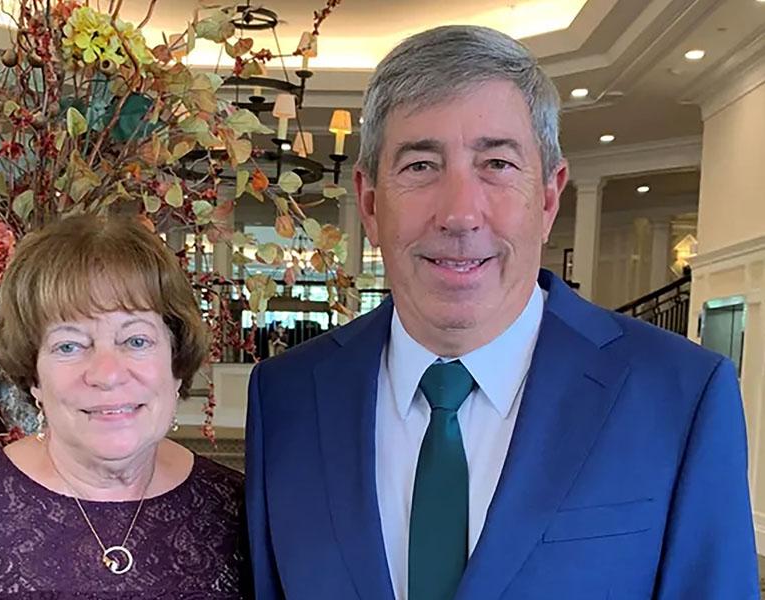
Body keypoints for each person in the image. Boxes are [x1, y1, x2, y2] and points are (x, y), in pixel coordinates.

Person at [245, 25, 758, 600]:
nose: (460, 214)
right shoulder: (286, 396)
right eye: (420, 166)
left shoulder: (680, 394)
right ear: (369, 201)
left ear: (547, 196)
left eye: (497, 163)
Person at [0, 215, 248, 599]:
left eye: (136, 340)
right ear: (33, 374)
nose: (106, 374)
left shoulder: (244, 511)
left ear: (176, 361)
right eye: (69, 345)